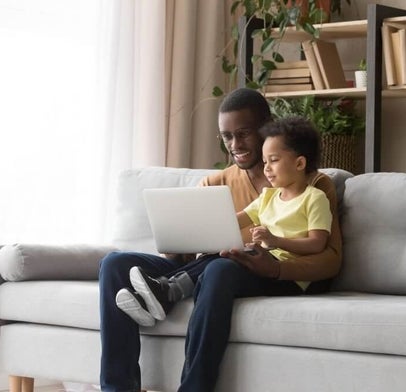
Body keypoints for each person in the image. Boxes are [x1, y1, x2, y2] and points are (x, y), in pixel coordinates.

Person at [98, 88, 342, 392]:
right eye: (226, 137)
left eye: (243, 134)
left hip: (258, 272)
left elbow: (330, 258)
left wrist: (276, 269)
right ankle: (117, 387)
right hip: (206, 268)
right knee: (115, 265)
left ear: (266, 128)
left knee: (219, 268)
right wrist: (178, 244)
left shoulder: (314, 186)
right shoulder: (215, 183)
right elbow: (190, 254)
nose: (235, 145)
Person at [115, 117, 333, 326]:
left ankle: (165, 290)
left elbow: (317, 243)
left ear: (300, 163)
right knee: (221, 254)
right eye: (265, 161)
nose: (266, 168)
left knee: (226, 263)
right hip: (261, 260)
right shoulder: (267, 197)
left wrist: (276, 241)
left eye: (274, 161)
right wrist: (189, 228)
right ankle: (162, 290)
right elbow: (230, 222)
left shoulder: (315, 198)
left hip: (287, 277)